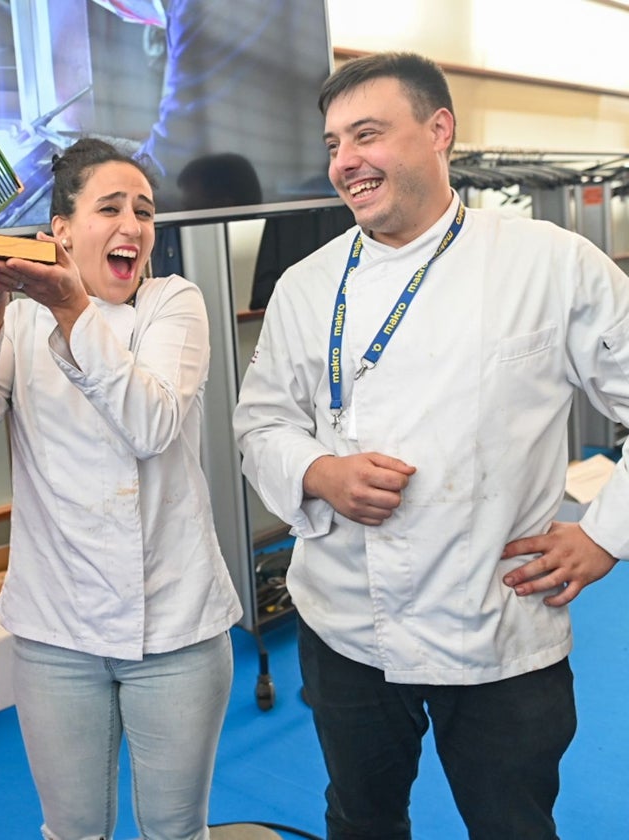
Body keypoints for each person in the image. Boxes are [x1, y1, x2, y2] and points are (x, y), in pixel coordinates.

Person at [233, 52, 629, 839]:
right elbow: (260, 423)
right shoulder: (307, 286)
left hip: (499, 620)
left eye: (367, 134)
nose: (345, 161)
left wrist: (605, 536)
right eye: (334, 142)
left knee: (514, 823)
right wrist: (320, 470)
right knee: (360, 817)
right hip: (347, 622)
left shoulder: (549, 264)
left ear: (439, 131)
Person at [0, 138, 242, 840]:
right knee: (72, 832)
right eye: (110, 207)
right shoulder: (18, 316)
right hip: (54, 633)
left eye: (145, 210)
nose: (133, 225)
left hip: (176, 629)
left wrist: (75, 310)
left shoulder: (174, 302)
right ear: (60, 232)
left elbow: (152, 424)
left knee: (176, 832)